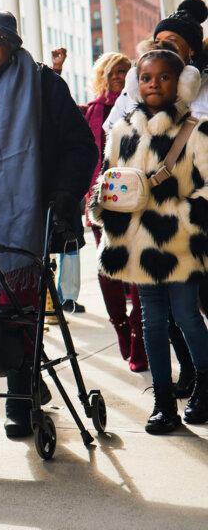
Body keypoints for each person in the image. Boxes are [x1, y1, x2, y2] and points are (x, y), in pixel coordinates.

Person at [0, 10, 96, 440]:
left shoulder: (44, 84)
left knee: (23, 306)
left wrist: (64, 194)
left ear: (12, 43)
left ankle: (19, 397)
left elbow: (80, 146)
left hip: (28, 216)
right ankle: (26, 377)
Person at [90, 49, 208, 433]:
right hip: (136, 248)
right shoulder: (122, 132)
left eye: (163, 77)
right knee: (153, 323)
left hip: (180, 247)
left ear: (181, 83)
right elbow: (109, 181)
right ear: (135, 84)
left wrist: (182, 219)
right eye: (146, 77)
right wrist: (102, 206)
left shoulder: (195, 131)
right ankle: (163, 402)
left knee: (188, 317)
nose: (153, 84)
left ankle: (205, 386)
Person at [81, 51, 146, 372]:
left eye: (125, 70)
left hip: (136, 198)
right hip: (101, 201)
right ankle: (120, 324)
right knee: (108, 267)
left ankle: (138, 336)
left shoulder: (138, 108)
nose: (120, 75)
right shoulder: (90, 111)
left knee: (136, 271)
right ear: (103, 76)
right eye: (114, 71)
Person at [105, 0, 208, 131]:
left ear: (191, 50)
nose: (161, 46)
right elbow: (111, 130)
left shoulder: (204, 87)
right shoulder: (135, 87)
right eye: (157, 41)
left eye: (171, 41)